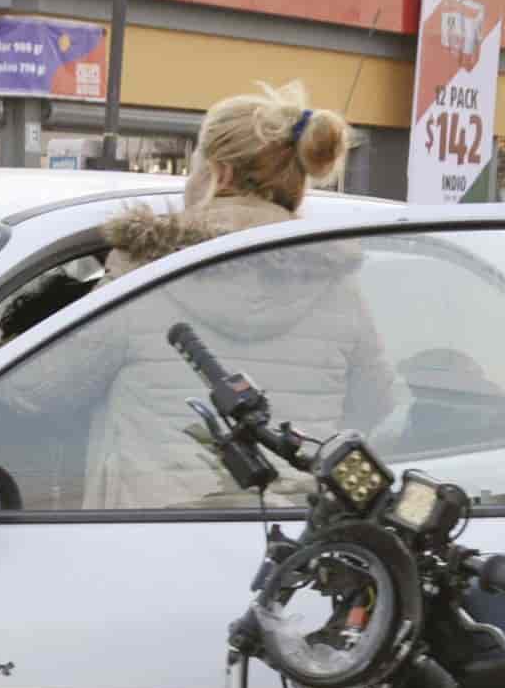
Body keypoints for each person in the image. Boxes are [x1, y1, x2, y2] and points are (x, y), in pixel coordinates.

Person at [34, 82, 390, 510]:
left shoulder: (147, 274)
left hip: (150, 531)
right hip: (292, 543)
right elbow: (378, 406)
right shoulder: (340, 290)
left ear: (219, 173)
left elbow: (39, 390)